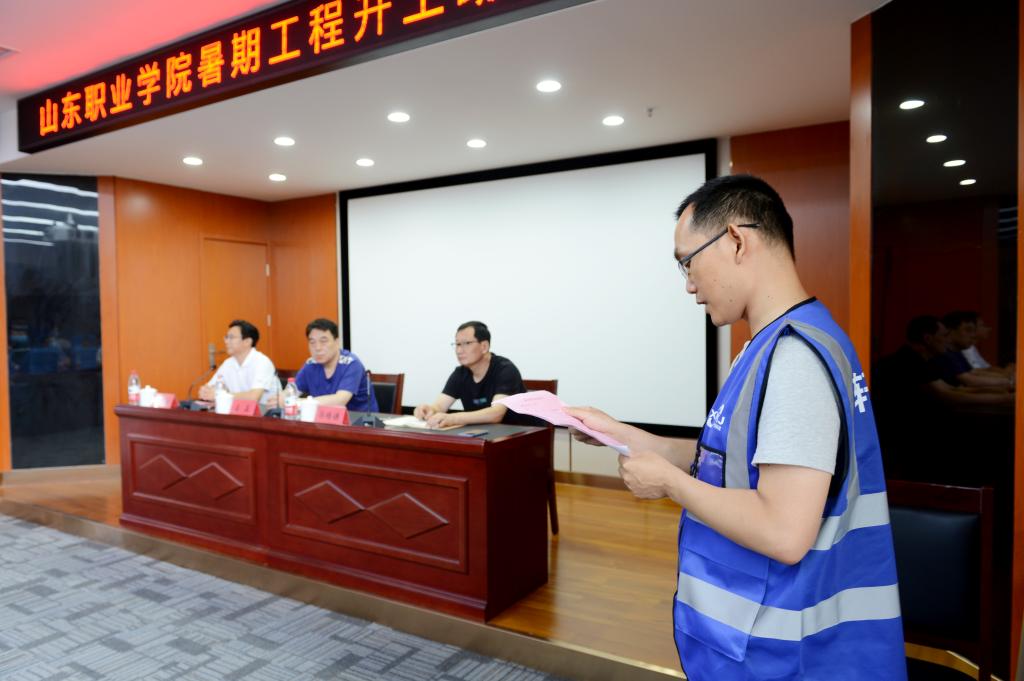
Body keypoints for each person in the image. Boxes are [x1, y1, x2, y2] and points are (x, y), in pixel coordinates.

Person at [567, 175, 907, 679]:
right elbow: (724, 461)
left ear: (736, 240)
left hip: (788, 654)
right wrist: (618, 432)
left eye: (687, 262)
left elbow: (783, 531)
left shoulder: (794, 358)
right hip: (767, 637)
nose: (689, 285)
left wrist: (669, 484)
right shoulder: (775, 344)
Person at [414, 321, 529, 428]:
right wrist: (429, 410)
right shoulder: (460, 373)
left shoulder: (505, 369)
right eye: (457, 344)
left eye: (466, 343)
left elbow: (496, 414)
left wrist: (453, 418)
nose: (459, 350)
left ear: (484, 346)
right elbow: (439, 407)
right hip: (481, 434)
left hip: (518, 435)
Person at [288, 318, 378, 412]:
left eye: (323, 341)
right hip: (324, 418)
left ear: (337, 342)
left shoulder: (351, 364)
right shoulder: (310, 364)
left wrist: (300, 403)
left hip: (359, 419)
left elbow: (340, 400)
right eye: (312, 342)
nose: (317, 348)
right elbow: (289, 393)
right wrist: (282, 399)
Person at [198, 320, 278, 406]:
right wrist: (205, 392)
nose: (226, 341)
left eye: (231, 337)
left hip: (266, 411)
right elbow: (212, 387)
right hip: (238, 411)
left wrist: (220, 396)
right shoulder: (228, 363)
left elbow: (254, 397)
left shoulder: (262, 362)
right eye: (226, 337)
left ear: (247, 341)